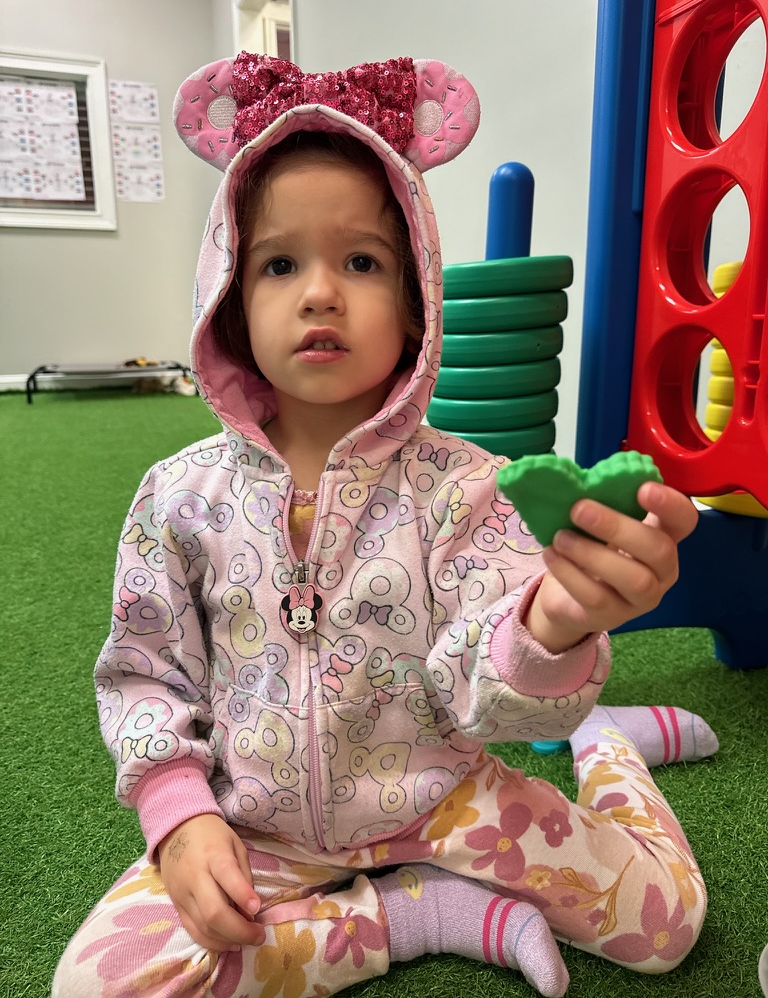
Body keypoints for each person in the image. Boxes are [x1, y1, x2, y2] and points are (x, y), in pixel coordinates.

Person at [53, 53, 718, 998]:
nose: (320, 291)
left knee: (669, 930)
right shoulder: (178, 497)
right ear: (231, 303)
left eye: (361, 261)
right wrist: (179, 810)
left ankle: (610, 749)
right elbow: (142, 674)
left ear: (415, 307)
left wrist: (554, 630)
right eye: (279, 263)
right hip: (257, 825)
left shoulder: (468, 490)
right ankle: (424, 914)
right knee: (98, 987)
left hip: (452, 802)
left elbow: (493, 696)